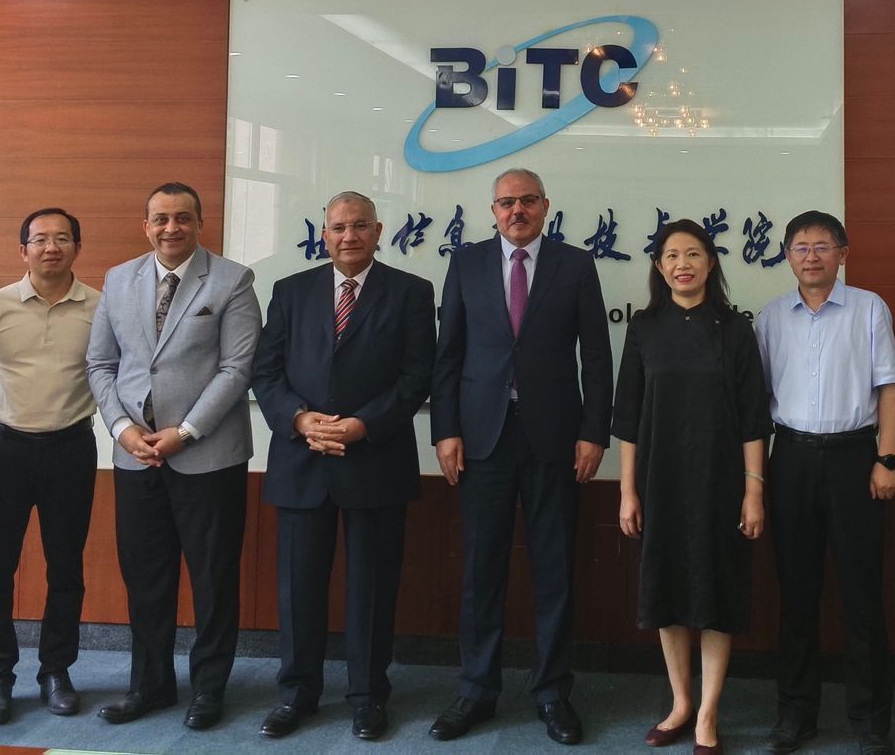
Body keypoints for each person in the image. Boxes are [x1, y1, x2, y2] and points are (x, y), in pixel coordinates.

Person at [428, 167, 613, 745]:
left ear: (545, 206)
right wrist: (444, 430)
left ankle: (552, 692)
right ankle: (476, 689)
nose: (517, 211)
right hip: (481, 437)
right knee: (481, 568)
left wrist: (594, 432)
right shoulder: (466, 263)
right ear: (493, 210)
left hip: (554, 437)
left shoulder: (575, 265)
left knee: (554, 569)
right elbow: (448, 354)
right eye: (506, 202)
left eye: (527, 200)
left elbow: (597, 357)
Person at [252, 191, 436, 741]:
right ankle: (296, 695)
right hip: (301, 458)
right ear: (324, 234)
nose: (349, 236)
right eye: (338, 227)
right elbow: (266, 372)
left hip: (375, 458)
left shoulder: (411, 292)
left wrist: (362, 425)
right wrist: (300, 420)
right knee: (298, 588)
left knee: (372, 590)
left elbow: (416, 376)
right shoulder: (291, 291)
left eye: (359, 226)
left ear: (378, 231)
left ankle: (368, 696)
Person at [85, 181, 259, 731]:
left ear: (199, 223)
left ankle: (208, 688)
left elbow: (237, 368)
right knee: (146, 578)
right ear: (146, 225)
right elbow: (100, 365)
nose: (171, 228)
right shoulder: (118, 279)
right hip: (137, 456)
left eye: (183, 218)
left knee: (212, 579)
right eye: (160, 218)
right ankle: (151, 685)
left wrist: (186, 430)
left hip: (208, 456)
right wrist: (121, 429)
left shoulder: (232, 280)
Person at [614, 220, 771, 755]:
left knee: (716, 592)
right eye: (672, 255)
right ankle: (681, 703)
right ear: (659, 267)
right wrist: (627, 491)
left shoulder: (734, 329)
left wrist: (753, 491)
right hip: (659, 482)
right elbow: (628, 417)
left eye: (694, 254)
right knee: (666, 590)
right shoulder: (644, 327)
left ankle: (708, 713)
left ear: (711, 262)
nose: (683, 264)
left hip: (720, 481)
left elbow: (753, 419)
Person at [754, 210, 895, 755]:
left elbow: (890, 387)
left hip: (854, 459)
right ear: (787, 256)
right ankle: (795, 714)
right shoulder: (771, 317)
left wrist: (888, 458)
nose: (811, 256)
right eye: (801, 247)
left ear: (843, 253)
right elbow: (757, 401)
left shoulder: (868, 308)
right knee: (796, 593)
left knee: (862, 593)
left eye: (822, 246)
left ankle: (871, 721)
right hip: (791, 458)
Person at [0, 207, 101, 725]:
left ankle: (56, 671)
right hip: (3, 450)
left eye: (62, 238)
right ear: (22, 250)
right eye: (40, 239)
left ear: (77, 248)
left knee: (66, 569)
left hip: (71, 449)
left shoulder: (100, 307)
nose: (51, 247)